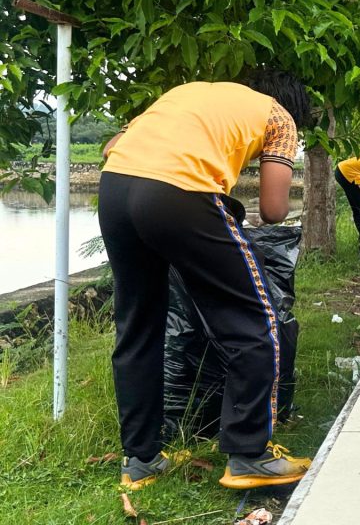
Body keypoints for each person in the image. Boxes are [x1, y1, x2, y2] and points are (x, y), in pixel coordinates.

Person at [99, 69, 313, 491]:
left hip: (116, 190)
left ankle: (141, 460)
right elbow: (273, 211)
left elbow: (111, 148)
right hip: (176, 191)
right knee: (255, 319)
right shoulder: (279, 117)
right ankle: (249, 454)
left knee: (138, 325)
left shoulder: (186, 92)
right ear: (292, 105)